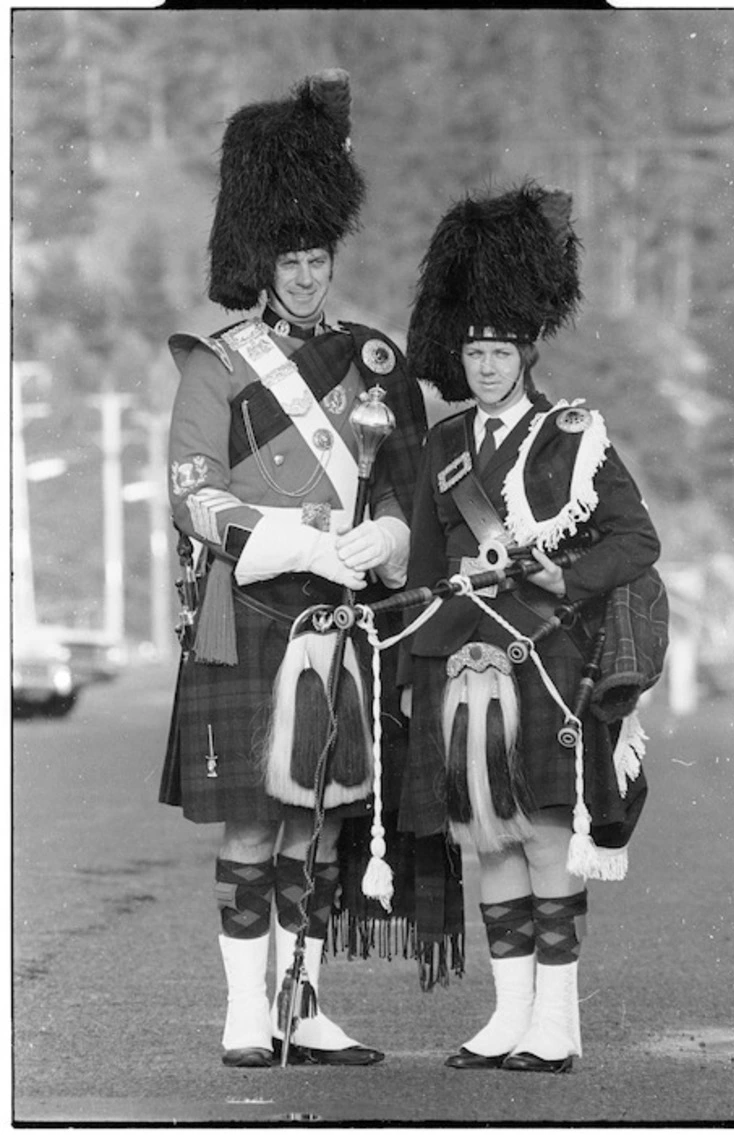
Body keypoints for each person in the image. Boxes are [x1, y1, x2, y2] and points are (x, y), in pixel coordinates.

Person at [160, 70, 427, 1068]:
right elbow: (195, 497)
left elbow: (400, 489)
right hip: (250, 608)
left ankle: (302, 1005)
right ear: (259, 262)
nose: (308, 276)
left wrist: (385, 538)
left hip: (336, 624)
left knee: (315, 830)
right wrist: (304, 538)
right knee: (247, 828)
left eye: (318, 257)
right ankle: (243, 1010)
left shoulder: (372, 360)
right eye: (291, 259)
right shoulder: (215, 365)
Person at [397, 181, 665, 1072]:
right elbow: (430, 565)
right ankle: (510, 1017)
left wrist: (564, 572)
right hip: (459, 665)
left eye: (498, 349)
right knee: (487, 836)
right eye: (471, 349)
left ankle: (558, 1020)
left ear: (527, 349)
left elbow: (636, 538)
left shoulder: (572, 435)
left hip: (547, 659)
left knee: (547, 836)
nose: (483, 364)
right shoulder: (439, 447)